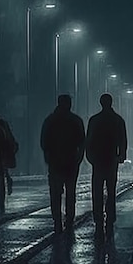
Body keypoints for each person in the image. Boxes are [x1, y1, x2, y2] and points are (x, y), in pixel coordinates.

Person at [40, 94, 86, 234]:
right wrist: (79, 157)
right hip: (71, 161)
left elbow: (43, 141)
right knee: (70, 192)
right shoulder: (75, 120)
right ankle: (69, 219)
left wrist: (47, 155)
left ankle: (57, 220)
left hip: (55, 161)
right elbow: (82, 141)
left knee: (55, 192)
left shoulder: (50, 120)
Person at [86, 93, 127, 238]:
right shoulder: (118, 120)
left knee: (97, 190)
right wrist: (121, 155)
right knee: (111, 191)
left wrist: (89, 157)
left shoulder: (94, 120)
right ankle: (110, 217)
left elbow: (88, 140)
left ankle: (98, 219)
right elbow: (123, 139)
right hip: (111, 159)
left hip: (98, 160)